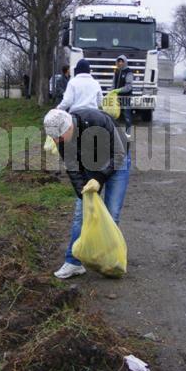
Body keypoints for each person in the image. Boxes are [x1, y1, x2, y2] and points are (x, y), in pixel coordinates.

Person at [44, 108, 129, 279]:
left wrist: (99, 179)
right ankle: (74, 262)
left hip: (117, 162)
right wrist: (84, 196)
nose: (56, 141)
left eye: (59, 137)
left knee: (111, 213)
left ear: (69, 128)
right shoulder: (60, 138)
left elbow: (119, 153)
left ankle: (109, 260)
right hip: (90, 164)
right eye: (53, 138)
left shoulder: (96, 121)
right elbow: (74, 170)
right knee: (80, 214)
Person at [111, 55, 134, 137]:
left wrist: (119, 90)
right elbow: (113, 83)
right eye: (119, 61)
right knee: (115, 114)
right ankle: (115, 132)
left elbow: (128, 87)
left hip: (126, 97)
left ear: (125, 62)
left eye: (122, 61)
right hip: (116, 97)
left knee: (126, 115)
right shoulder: (116, 71)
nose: (120, 63)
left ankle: (128, 133)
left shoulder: (128, 72)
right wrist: (112, 91)